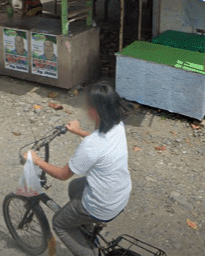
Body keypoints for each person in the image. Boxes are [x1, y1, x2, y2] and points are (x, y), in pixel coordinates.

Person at [28, 83, 130, 256]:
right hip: (120, 193)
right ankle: (86, 229)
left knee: (59, 223)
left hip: (102, 205)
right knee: (75, 186)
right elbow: (101, 144)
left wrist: (36, 160)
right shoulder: (117, 125)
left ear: (94, 111)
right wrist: (78, 131)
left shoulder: (91, 145)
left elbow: (62, 175)